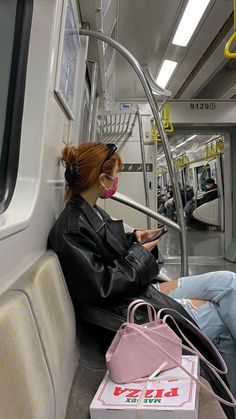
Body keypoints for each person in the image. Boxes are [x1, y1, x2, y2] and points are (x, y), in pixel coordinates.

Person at [48, 142, 236, 414]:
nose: (116, 183)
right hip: (128, 315)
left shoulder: (89, 212)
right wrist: (138, 254)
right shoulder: (71, 230)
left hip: (137, 296)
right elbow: (103, 287)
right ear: (102, 179)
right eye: (114, 176)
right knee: (224, 315)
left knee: (228, 282)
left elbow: (106, 252)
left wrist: (134, 238)